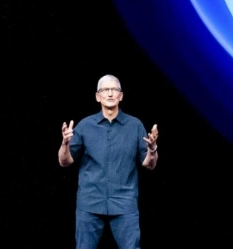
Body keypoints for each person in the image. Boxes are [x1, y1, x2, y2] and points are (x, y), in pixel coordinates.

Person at [58, 75, 158, 249]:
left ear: (121, 95)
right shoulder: (85, 126)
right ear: (98, 96)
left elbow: (149, 164)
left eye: (114, 90)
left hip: (124, 202)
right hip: (90, 202)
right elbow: (64, 162)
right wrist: (65, 144)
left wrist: (152, 149)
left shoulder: (135, 125)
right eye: (105, 90)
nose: (110, 94)